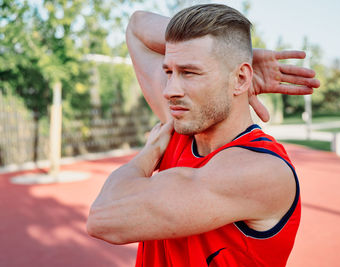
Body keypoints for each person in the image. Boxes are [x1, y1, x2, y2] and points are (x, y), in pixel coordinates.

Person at [87, 4, 320, 267]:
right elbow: (137, 25)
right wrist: (237, 53)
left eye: (189, 72)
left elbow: (102, 216)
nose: (170, 90)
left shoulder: (262, 170)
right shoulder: (183, 120)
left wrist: (148, 153)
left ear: (241, 78)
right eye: (168, 72)